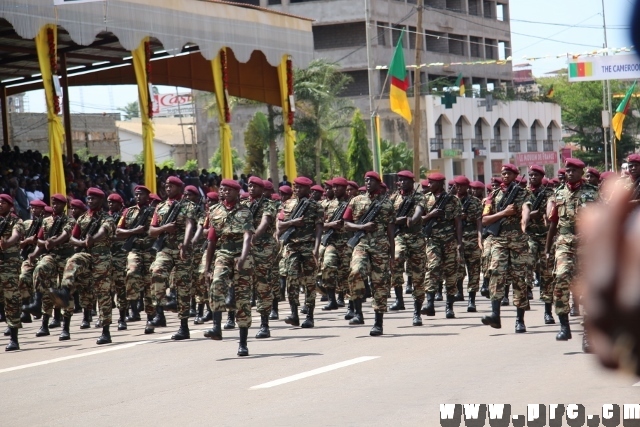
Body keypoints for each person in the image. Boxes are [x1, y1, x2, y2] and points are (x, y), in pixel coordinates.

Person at [52, 187, 116, 344]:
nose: (90, 201)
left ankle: (105, 331)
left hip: (102, 255)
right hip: (86, 253)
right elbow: (72, 238)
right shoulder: (82, 219)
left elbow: (103, 231)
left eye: (93, 198)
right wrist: (82, 242)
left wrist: (93, 239)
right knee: (72, 260)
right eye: (88, 198)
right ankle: (65, 291)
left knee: (103, 293)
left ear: (101, 200)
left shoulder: (108, 218)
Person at [546, 158, 599, 342]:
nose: (569, 173)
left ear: (581, 173)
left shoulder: (593, 192)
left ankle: (587, 334)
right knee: (560, 279)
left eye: (573, 170)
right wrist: (547, 249)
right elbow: (553, 222)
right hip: (564, 242)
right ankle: (564, 326)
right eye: (567, 170)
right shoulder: (558, 193)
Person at [202, 179, 254, 356]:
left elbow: (248, 237)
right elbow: (211, 240)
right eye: (222, 189)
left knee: (243, 298)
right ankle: (216, 326)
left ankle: (243, 342)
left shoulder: (245, 211)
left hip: (241, 253)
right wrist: (206, 267)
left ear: (236, 192)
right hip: (223, 252)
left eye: (228, 190)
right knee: (216, 283)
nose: (224, 192)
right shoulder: (214, 210)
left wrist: (243, 257)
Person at [480, 164, 531, 332]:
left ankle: (520, 320)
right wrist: (504, 213)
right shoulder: (493, 195)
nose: (505, 176)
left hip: (517, 240)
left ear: (515, 175)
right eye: (503, 173)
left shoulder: (523, 193)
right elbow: (485, 220)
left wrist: (524, 221)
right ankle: (495, 315)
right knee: (496, 273)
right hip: (499, 240)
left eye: (508, 173)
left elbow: (526, 208)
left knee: (519, 279)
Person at [343, 172, 394, 336]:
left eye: (371, 180)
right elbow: (346, 224)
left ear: (379, 184)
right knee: (356, 272)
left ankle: (378, 323)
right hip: (362, 243)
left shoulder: (387, 204)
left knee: (379, 283)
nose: (368, 182)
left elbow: (391, 231)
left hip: (380, 245)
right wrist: (362, 227)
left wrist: (392, 255)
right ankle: (357, 311)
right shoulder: (356, 201)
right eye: (366, 180)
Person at [148, 176, 197, 340]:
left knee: (183, 287)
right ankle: (159, 313)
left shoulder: (188, 205)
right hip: (166, 248)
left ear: (179, 188)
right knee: (156, 272)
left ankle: (184, 327)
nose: (168, 188)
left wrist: (185, 243)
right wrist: (165, 227)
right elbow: (151, 231)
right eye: (166, 185)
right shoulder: (160, 207)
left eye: (172, 186)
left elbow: (190, 224)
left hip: (182, 249)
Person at [26, 194, 75, 338]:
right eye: (53, 203)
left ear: (64, 206)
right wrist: (36, 252)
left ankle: (65, 327)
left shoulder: (69, 220)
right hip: (51, 256)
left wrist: (54, 241)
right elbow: (40, 240)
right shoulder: (46, 221)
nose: (55, 206)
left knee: (65, 291)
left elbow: (66, 235)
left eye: (58, 204)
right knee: (40, 269)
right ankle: (40, 310)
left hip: (66, 257)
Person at [277, 176, 323, 328]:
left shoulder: (316, 206)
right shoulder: (287, 204)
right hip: (292, 247)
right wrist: (292, 222)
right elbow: (279, 226)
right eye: (295, 187)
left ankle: (309, 315)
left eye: (301, 187)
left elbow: (319, 228)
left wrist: (316, 248)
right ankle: (294, 314)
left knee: (310, 282)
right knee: (292, 280)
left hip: (308, 246)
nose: (297, 189)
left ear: (308, 189)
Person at [421, 172, 463, 319]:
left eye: (431, 183)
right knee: (432, 268)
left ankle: (449, 307)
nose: (429, 185)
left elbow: (458, 223)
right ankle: (430, 304)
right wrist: (431, 215)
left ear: (439, 184)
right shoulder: (425, 199)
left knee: (451, 273)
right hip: (432, 240)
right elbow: (418, 218)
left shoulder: (453, 200)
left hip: (449, 241)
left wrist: (459, 243)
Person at [116, 185, 156, 333]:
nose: (138, 197)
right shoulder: (129, 211)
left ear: (147, 196)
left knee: (149, 286)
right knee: (131, 273)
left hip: (150, 251)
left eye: (142, 194)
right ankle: (133, 303)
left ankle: (150, 319)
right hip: (134, 250)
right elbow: (119, 231)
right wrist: (134, 231)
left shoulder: (154, 211)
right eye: (137, 194)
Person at [389, 170, 426, 326]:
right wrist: (401, 219)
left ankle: (417, 312)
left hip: (416, 237)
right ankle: (399, 299)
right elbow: (389, 219)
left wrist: (413, 219)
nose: (402, 182)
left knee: (418, 275)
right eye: (400, 180)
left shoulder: (418, 196)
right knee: (396, 260)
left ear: (412, 182)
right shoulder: (393, 198)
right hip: (399, 236)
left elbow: (419, 211)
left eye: (405, 180)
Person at [243, 176, 277, 339]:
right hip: (244, 248)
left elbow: (264, 223)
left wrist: (253, 238)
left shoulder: (268, 204)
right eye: (249, 186)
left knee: (262, 283)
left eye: (254, 186)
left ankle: (264, 324)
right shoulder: (243, 205)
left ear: (262, 189)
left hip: (263, 248)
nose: (251, 188)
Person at [526, 165, 556, 324]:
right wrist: (531, 215)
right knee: (527, 265)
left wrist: (545, 214)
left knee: (547, 275)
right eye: (530, 175)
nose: (532, 178)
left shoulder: (549, 194)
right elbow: (517, 214)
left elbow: (552, 213)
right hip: (529, 236)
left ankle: (547, 312)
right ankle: (526, 293)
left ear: (541, 177)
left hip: (545, 236)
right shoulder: (523, 193)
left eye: (536, 175)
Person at [319, 177, 351, 313]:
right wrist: (330, 225)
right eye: (334, 187)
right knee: (327, 266)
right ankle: (331, 300)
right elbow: (319, 225)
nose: (335, 189)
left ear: (345, 189)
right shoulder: (327, 205)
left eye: (338, 187)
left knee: (347, 272)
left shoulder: (352, 203)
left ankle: (350, 304)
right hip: (332, 241)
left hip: (347, 242)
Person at [0, 194, 25, 351]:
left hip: (9, 264)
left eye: (3, 203)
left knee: (11, 300)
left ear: (11, 205)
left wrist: (7, 243)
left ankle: (14, 338)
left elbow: (16, 235)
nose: (0, 205)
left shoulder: (16, 221)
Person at [454, 175, 483, 312]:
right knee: (458, 269)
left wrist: (479, 239)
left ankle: (472, 300)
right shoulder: (451, 201)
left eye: (462, 186)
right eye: (457, 185)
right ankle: (459, 292)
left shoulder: (475, 202)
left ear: (467, 187)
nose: (459, 188)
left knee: (474, 270)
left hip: (471, 238)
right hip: (455, 240)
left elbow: (479, 222)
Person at [107, 193, 127, 330]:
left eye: (113, 202)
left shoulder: (124, 215)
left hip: (120, 255)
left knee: (120, 288)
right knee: (105, 289)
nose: (111, 205)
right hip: (106, 255)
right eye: (109, 202)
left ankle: (122, 317)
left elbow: (123, 234)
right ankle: (105, 317)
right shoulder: (105, 217)